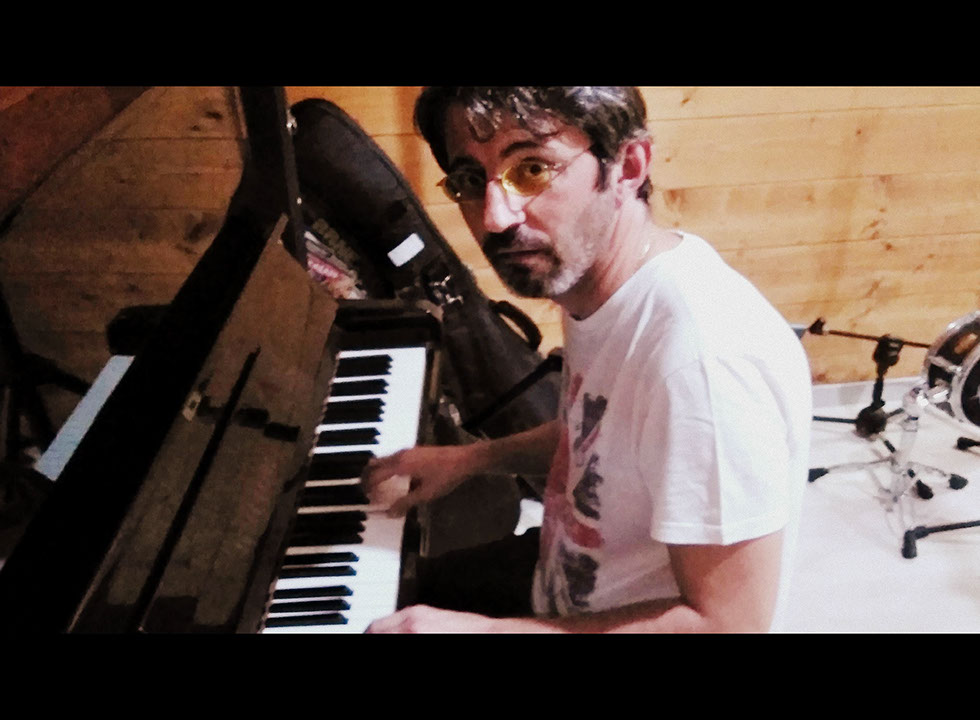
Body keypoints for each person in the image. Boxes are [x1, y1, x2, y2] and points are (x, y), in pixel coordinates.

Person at [362, 87, 812, 633]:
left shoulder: (702, 364)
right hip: (561, 581)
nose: (496, 217)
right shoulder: (600, 285)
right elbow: (599, 431)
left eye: (532, 169)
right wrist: (472, 459)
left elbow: (728, 625)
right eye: (471, 180)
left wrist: (485, 631)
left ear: (627, 166)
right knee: (381, 590)